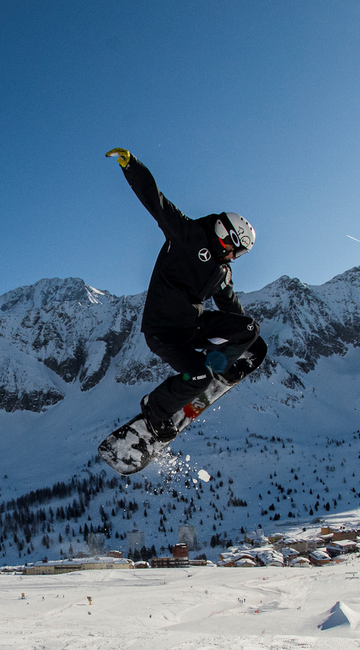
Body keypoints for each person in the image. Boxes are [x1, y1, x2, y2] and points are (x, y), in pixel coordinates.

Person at [106, 147, 267, 440]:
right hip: (164, 331)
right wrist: (131, 165)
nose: (235, 257)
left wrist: (247, 339)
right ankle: (155, 410)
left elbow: (230, 306)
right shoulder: (188, 235)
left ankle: (219, 365)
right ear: (227, 237)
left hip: (193, 326)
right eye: (237, 251)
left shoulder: (221, 271)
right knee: (198, 377)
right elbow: (156, 202)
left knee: (249, 327)